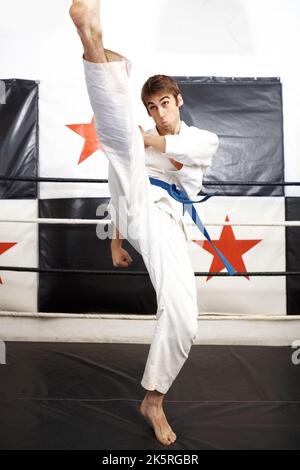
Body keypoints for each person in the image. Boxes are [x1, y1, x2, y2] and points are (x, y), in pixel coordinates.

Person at [69, 0, 219, 446]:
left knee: (184, 320)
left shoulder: (201, 139)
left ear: (179, 102)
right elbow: (120, 182)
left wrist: (150, 139)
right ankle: (91, 36)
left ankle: (153, 398)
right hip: (139, 207)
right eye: (151, 106)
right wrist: (115, 240)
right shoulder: (141, 141)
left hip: (168, 221)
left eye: (165, 103)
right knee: (120, 145)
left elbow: (186, 150)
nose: (159, 111)